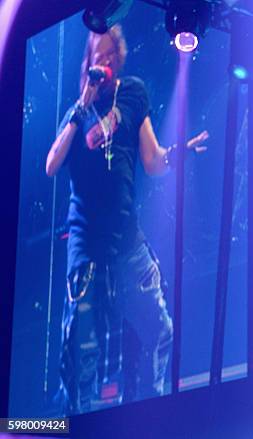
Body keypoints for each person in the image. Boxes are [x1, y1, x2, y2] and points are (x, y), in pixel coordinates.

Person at [46, 25, 208, 414]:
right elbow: (51, 165)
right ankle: (79, 422)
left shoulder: (133, 93)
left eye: (109, 56)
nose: (102, 63)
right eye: (95, 58)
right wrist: (81, 107)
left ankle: (146, 414)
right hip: (87, 246)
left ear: (118, 60)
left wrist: (178, 153)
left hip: (127, 240)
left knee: (158, 329)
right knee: (82, 351)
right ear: (87, 67)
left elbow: (151, 161)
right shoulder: (78, 111)